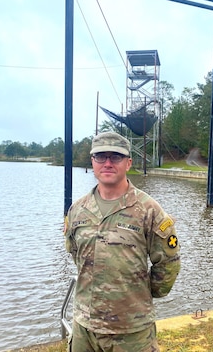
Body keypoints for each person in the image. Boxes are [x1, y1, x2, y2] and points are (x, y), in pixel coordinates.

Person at [64, 131, 181, 352]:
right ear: (92, 161)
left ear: (128, 163)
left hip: (131, 330)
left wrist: (138, 293)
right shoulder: (78, 209)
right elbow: (75, 253)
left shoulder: (149, 210)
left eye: (115, 157)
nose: (107, 163)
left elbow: (168, 264)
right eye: (101, 156)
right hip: (84, 327)